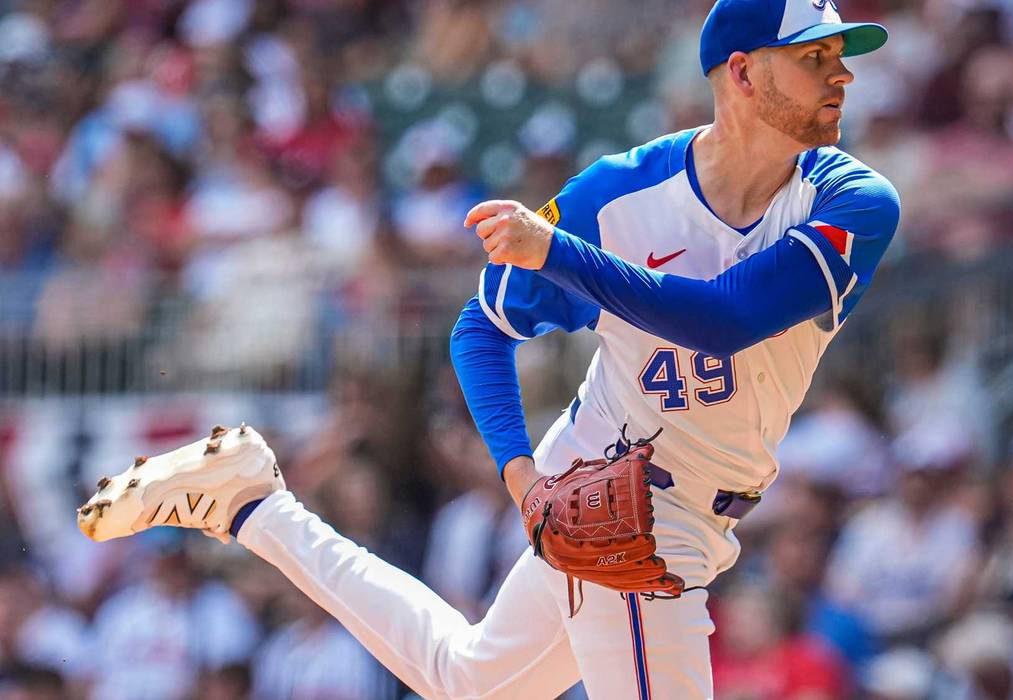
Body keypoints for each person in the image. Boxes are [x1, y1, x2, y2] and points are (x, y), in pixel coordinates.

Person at [75, 0, 899, 696]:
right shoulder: (617, 193)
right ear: (744, 74)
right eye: (814, 56)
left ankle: (250, 504)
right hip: (630, 506)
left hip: (693, 501)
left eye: (839, 56)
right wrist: (520, 476)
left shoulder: (852, 198)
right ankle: (247, 501)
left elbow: (725, 317)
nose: (841, 74)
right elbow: (480, 327)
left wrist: (557, 253)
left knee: (465, 680)